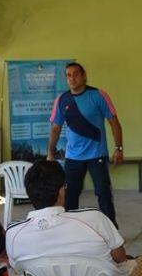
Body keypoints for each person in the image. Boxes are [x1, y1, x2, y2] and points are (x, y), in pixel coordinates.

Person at [6, 159, 133, 276]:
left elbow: (17, 269)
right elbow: (120, 257)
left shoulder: (14, 234)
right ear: (61, 191)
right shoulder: (94, 219)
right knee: (137, 263)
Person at [47, 62, 123, 227]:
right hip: (73, 157)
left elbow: (114, 122)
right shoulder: (62, 100)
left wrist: (119, 148)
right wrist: (50, 153)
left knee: (103, 194)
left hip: (97, 155)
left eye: (75, 74)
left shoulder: (98, 95)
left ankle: (112, 230)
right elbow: (55, 128)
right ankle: (70, 229)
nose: (72, 78)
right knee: (70, 196)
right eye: (68, 75)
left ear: (83, 76)